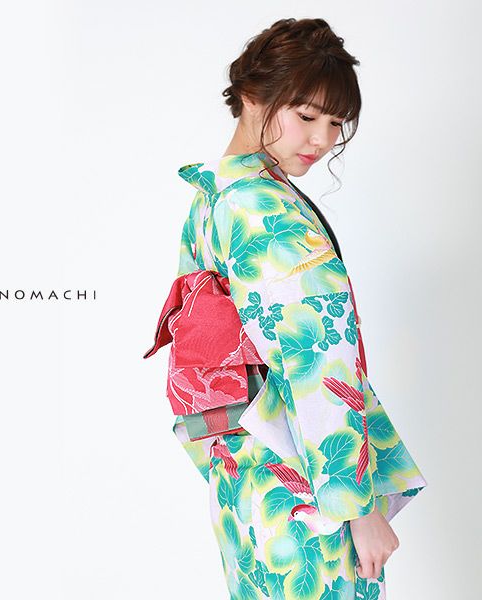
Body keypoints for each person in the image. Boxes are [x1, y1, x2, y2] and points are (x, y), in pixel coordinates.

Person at [155, 17, 428, 600]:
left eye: (336, 123)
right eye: (307, 116)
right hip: (308, 493)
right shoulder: (265, 210)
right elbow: (316, 358)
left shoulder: (213, 197)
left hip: (243, 477)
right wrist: (357, 508)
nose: (323, 139)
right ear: (252, 97)